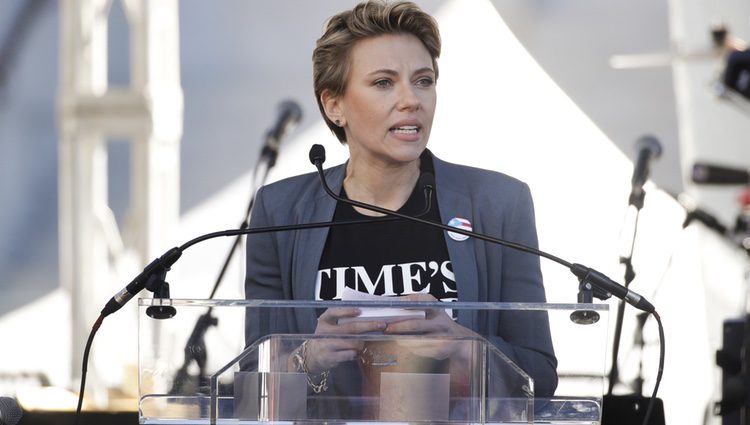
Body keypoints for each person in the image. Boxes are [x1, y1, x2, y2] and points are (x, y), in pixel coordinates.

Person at [243, 0, 557, 418]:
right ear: (334, 105)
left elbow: (541, 378)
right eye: (383, 83)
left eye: (423, 80)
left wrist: (465, 347)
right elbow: (250, 394)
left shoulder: (498, 203)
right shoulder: (281, 212)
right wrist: (308, 357)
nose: (411, 100)